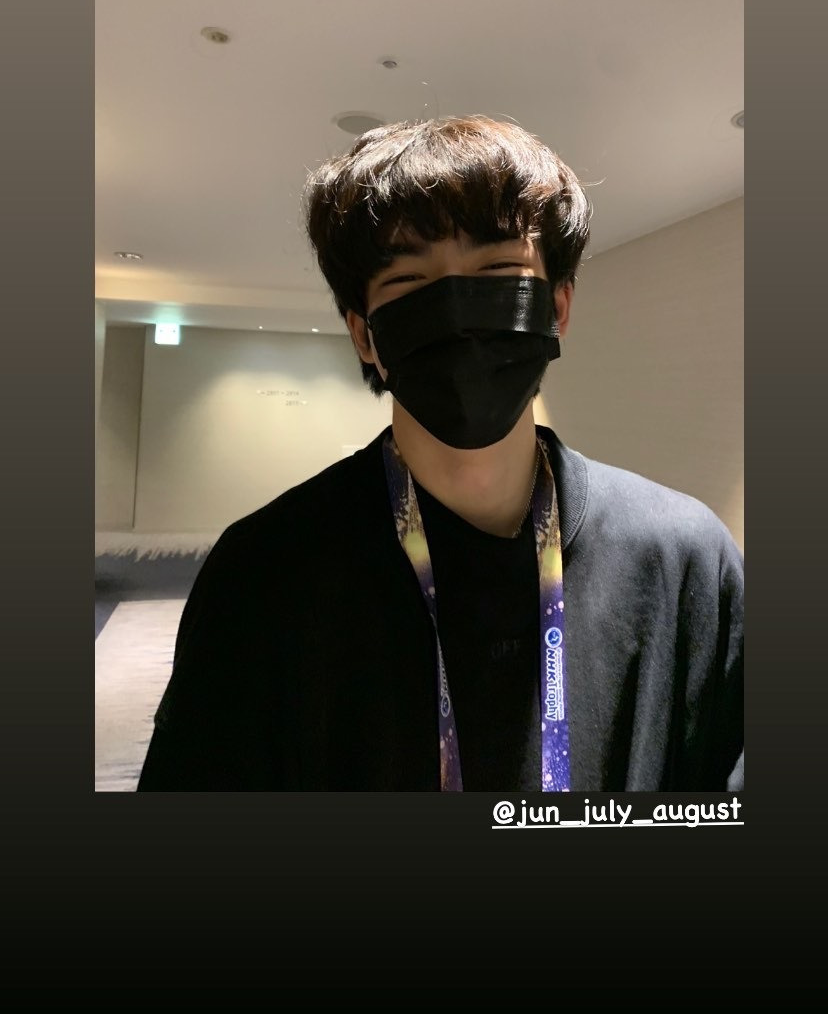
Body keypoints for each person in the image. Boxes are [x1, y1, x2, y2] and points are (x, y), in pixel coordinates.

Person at [137, 115, 743, 793]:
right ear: (365, 335)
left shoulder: (686, 560)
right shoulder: (262, 575)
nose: (456, 311)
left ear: (559, 306)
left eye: (498, 269)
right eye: (408, 282)